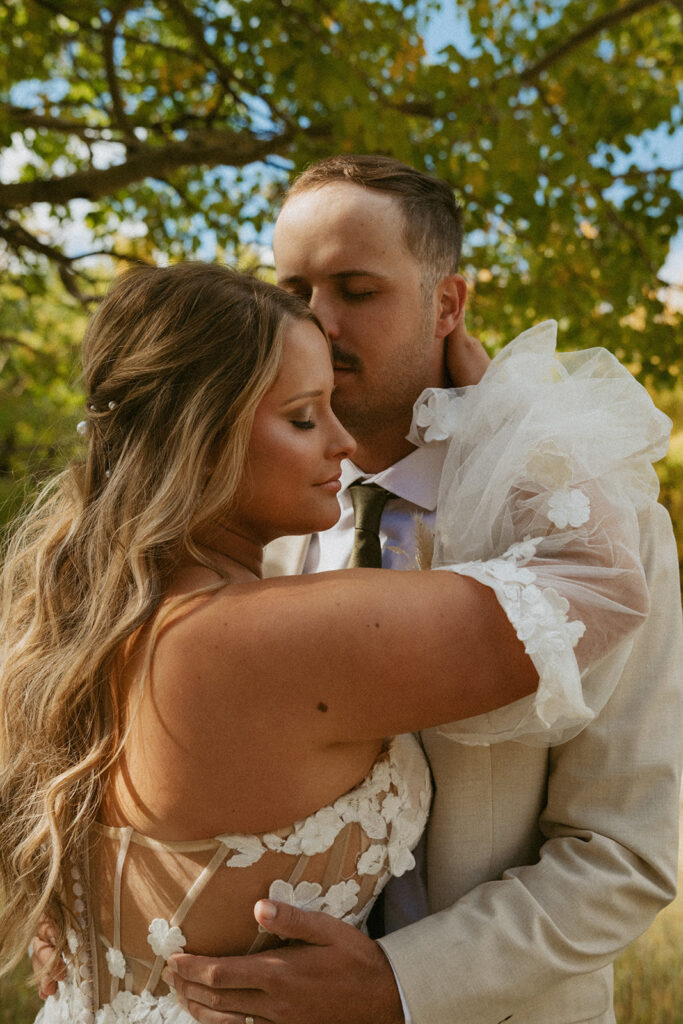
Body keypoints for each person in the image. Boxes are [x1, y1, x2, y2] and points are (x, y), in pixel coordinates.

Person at [4, 260, 654, 1024]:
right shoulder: (254, 640)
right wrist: (503, 408)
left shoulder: (70, 623)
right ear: (201, 439)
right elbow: (603, 581)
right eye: (306, 416)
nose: (341, 441)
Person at [163, 156, 683, 1024]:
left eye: (357, 289)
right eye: (293, 291)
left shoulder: (601, 532)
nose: (317, 323)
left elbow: (625, 852)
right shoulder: (242, 517)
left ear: (447, 306)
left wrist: (402, 984)